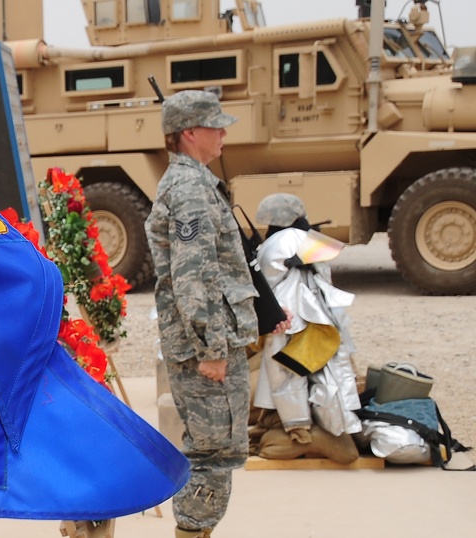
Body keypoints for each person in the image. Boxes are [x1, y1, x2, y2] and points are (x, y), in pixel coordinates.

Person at [145, 90, 289, 538]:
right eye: (216, 125)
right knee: (213, 454)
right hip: (206, 350)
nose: (224, 132)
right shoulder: (189, 190)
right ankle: (192, 532)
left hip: (213, 341)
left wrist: (261, 310)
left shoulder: (196, 183)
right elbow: (193, 278)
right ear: (190, 133)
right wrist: (211, 348)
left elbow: (224, 268)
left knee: (216, 451)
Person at [251, 193, 361, 448]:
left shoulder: (272, 243)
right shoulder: (313, 241)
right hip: (320, 314)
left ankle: (298, 428)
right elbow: (325, 277)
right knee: (328, 372)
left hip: (285, 316)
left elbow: (264, 281)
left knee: (286, 374)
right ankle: (340, 424)